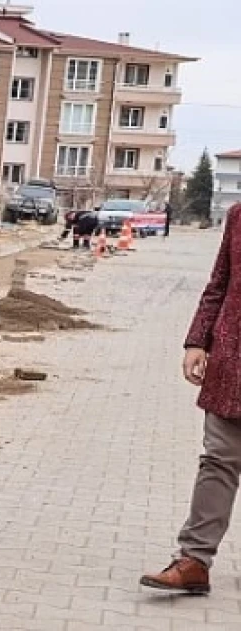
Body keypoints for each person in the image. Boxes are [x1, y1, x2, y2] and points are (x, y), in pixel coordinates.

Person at [140, 201, 241, 595]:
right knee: (217, 460)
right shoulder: (238, 216)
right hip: (233, 363)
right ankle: (194, 561)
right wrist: (197, 340)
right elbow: (219, 282)